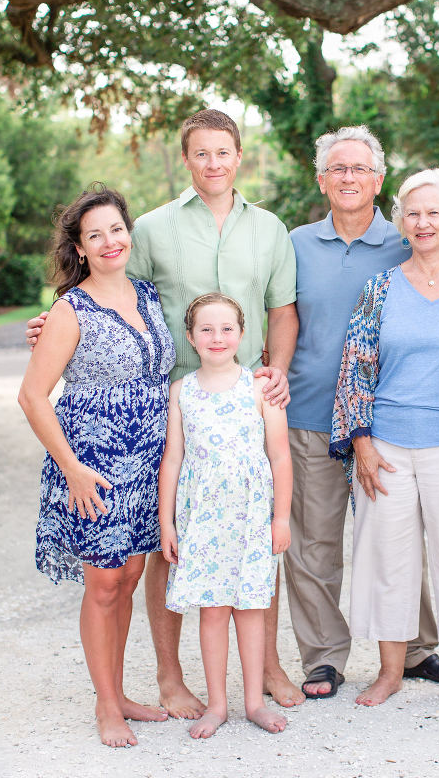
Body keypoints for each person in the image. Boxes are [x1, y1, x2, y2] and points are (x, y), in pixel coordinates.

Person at [26, 108, 301, 714]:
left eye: (223, 152)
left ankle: (267, 668)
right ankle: (169, 678)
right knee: (162, 554)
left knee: (249, 529)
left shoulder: (271, 229)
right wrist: (52, 324)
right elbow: (98, 296)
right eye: (201, 153)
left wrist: (275, 369)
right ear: (186, 159)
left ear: (238, 155)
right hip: (174, 407)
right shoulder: (150, 229)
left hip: (236, 406)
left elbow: (282, 309)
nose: (213, 163)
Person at [330, 168, 439, 709]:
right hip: (386, 445)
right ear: (400, 222)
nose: (424, 222)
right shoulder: (380, 288)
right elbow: (356, 366)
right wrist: (360, 441)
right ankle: (389, 671)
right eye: (413, 213)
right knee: (389, 558)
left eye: (435, 212)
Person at [285, 126, 439, 699]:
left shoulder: (409, 241)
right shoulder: (295, 243)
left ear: (379, 181)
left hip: (393, 421)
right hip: (310, 415)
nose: (348, 178)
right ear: (322, 179)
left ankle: (419, 647)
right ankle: (324, 656)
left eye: (359, 169)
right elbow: (266, 314)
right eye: (337, 169)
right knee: (314, 544)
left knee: (402, 537)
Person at [18, 186, 175, 747]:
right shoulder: (70, 308)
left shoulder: (150, 294)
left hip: (150, 457)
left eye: (116, 229)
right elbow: (33, 396)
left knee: (130, 576)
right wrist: (74, 469)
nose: (110, 241)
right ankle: (106, 704)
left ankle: (119, 690)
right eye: (95, 235)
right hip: (94, 462)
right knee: (104, 582)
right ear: (80, 249)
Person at [159, 293, 292, 736]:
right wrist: (167, 523)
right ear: (191, 337)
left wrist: (281, 518)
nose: (217, 338)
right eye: (206, 330)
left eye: (227, 329)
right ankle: (217, 703)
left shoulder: (259, 389)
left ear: (242, 334)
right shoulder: (182, 392)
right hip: (204, 521)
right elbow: (173, 460)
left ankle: (254, 701)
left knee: (251, 609)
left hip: (251, 518)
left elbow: (279, 457)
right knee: (213, 611)